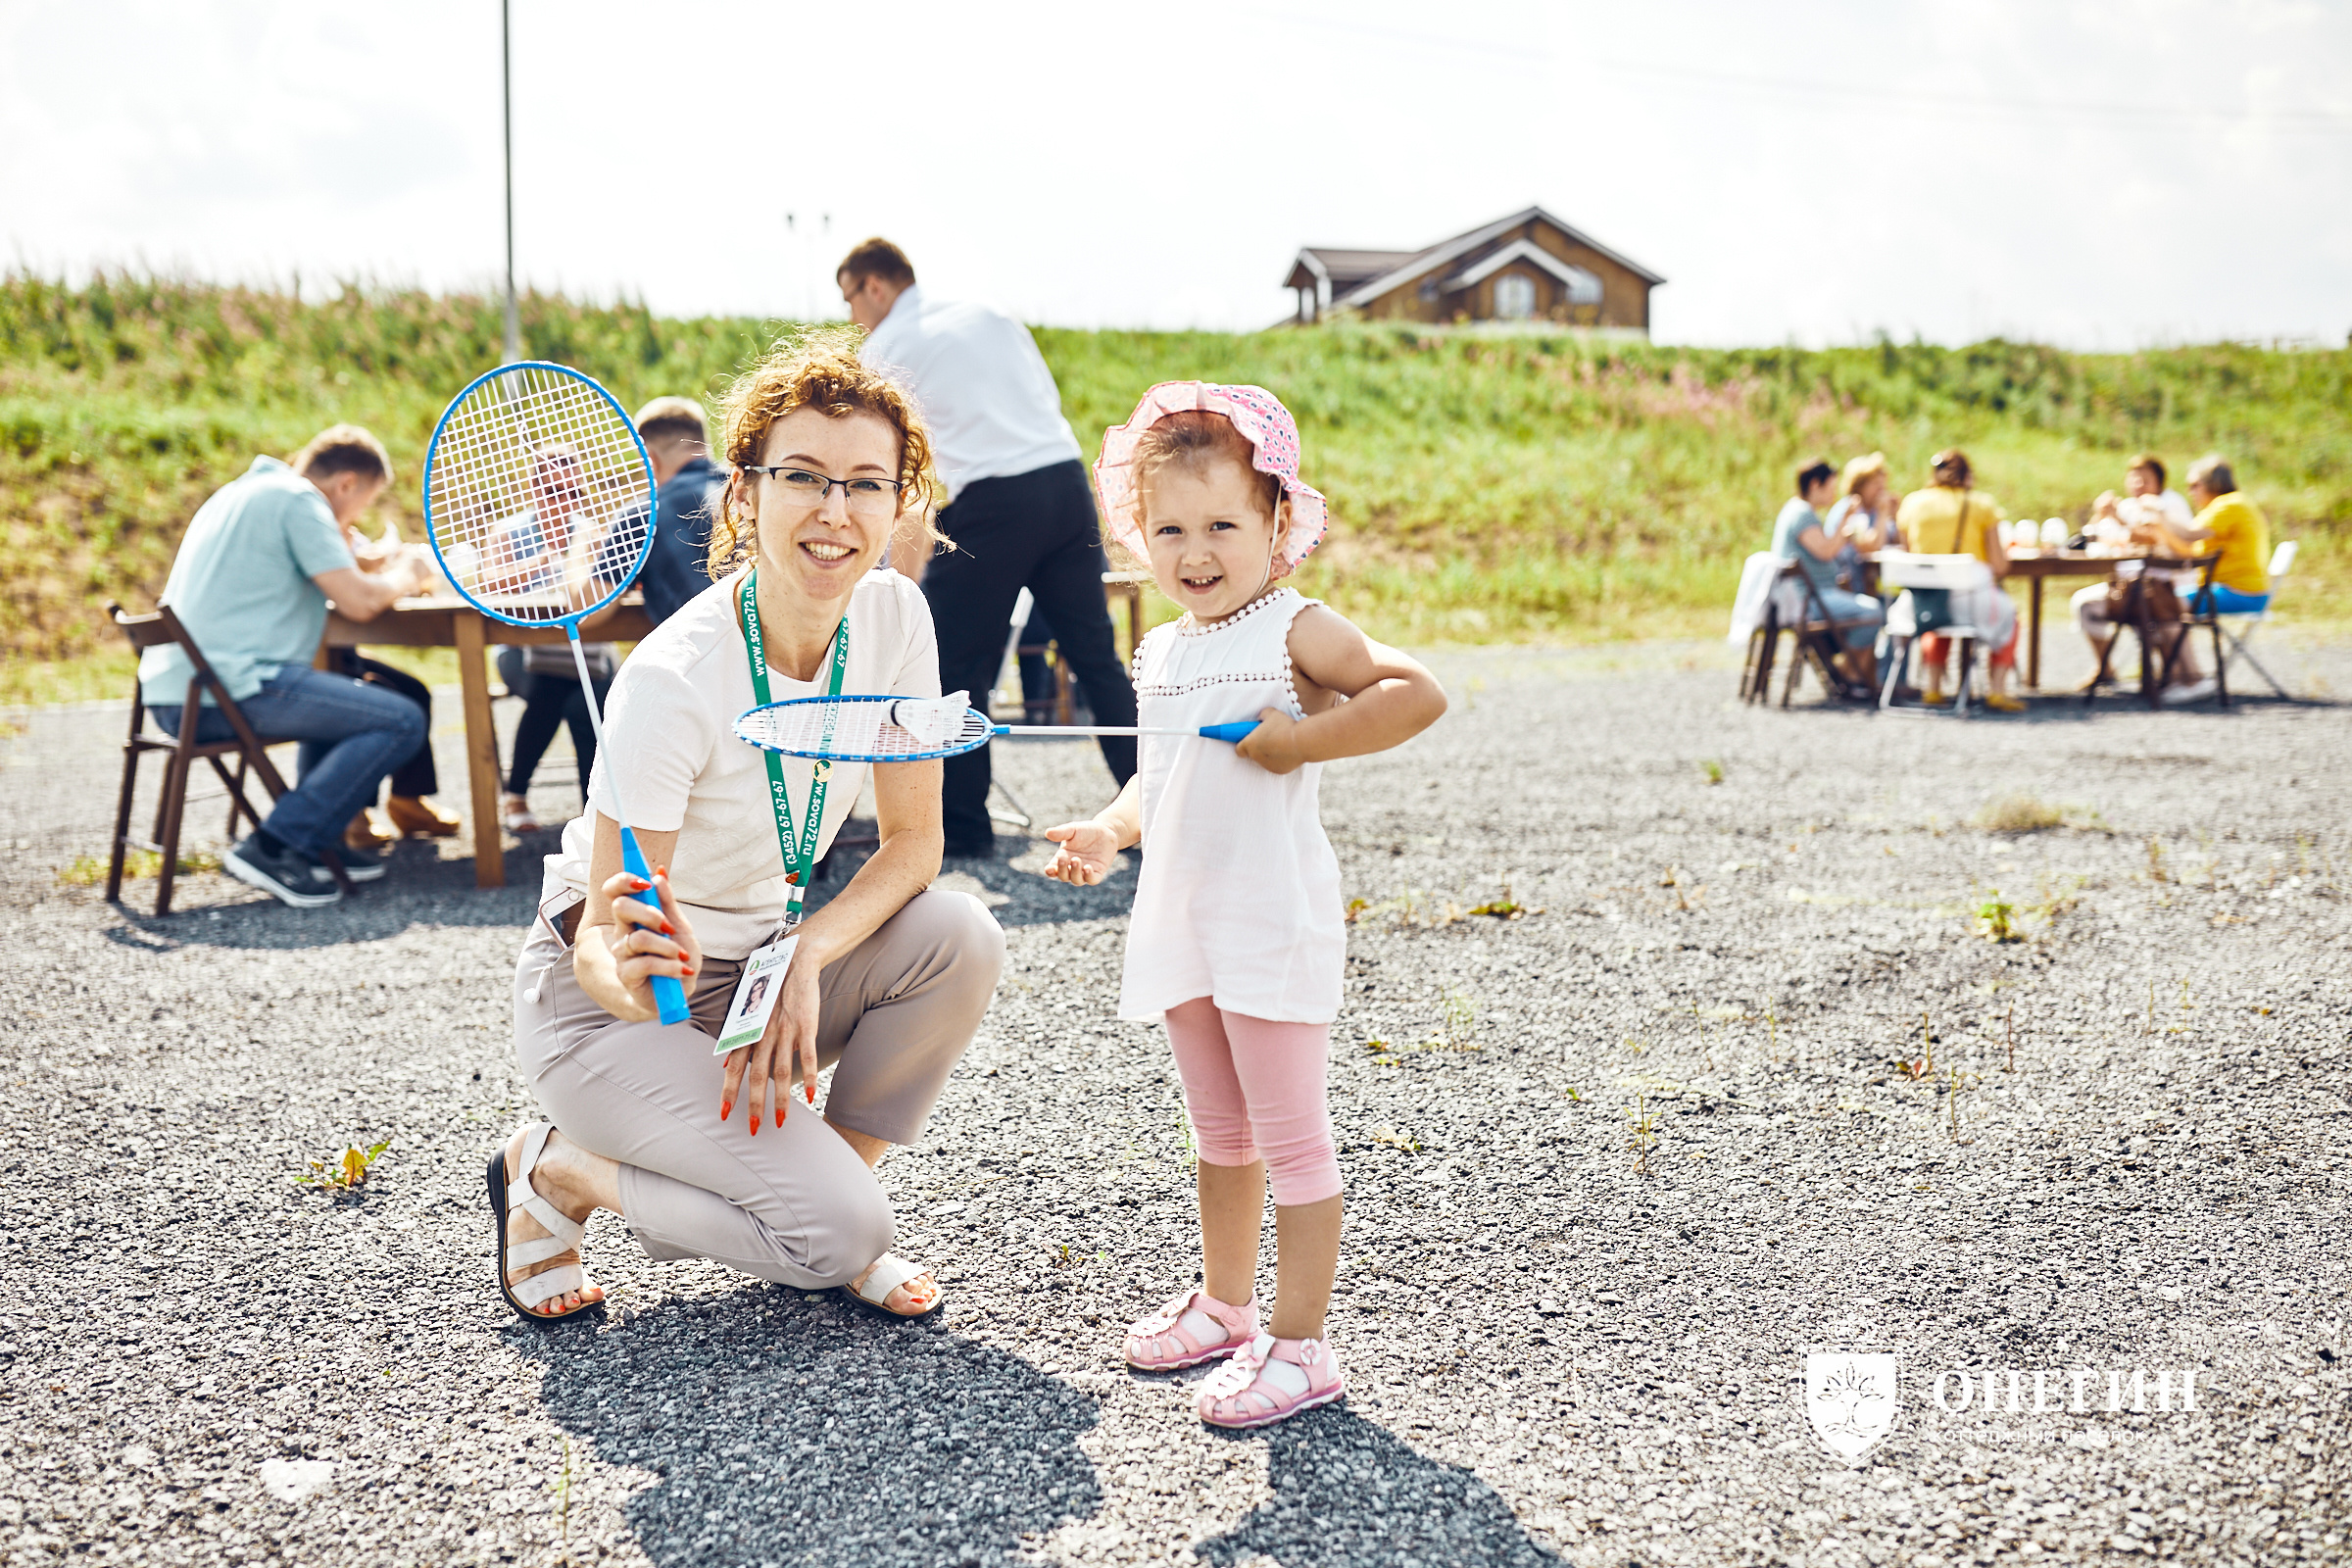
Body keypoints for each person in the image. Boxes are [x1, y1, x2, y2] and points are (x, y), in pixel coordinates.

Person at [492, 328, 1004, 1324]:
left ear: (900, 503)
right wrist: (630, 974)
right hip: (614, 1015)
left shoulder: (897, 618)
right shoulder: (675, 679)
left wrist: (807, 956)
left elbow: (915, 847)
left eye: (866, 483)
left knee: (961, 937)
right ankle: (560, 1169)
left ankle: (818, 1179)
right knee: (838, 1239)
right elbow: (602, 932)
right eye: (803, 476)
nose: (834, 510)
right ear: (745, 493)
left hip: (762, 970)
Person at [1042, 382, 1447, 1428]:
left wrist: (1298, 739)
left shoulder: (1292, 627)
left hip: (1268, 917)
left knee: (1292, 1134)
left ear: (1277, 523)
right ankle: (1227, 1306)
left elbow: (1415, 692)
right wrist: (1109, 830)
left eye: (1224, 522)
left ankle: (1303, 1347)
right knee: (1219, 1130)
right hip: (1185, 919)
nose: (1197, 549)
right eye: (1170, 528)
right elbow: (1161, 773)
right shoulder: (1165, 649)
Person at [840, 237, 1139, 858]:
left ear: (874, 286)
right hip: (1064, 483)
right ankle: (1159, 811)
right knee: (1096, 658)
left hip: (995, 501)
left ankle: (966, 833)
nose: (852, 318)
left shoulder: (886, 345)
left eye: (851, 299)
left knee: (951, 669)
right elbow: (1044, 401)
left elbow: (887, 450)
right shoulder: (990, 313)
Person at [143, 425, 432, 907]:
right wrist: (409, 573)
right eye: (364, 502)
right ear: (345, 485)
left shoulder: (243, 491)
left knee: (338, 692)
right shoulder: (300, 502)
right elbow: (359, 603)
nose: (358, 515)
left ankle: (318, 840)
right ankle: (274, 844)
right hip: (228, 688)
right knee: (402, 719)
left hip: (186, 686)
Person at [493, 448, 621, 834]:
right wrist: (546, 562)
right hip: (519, 652)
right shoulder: (510, 532)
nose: (563, 502)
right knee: (556, 685)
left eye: (572, 493)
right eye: (553, 491)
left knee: (584, 698)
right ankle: (591, 812)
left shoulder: (594, 532)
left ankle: (582, 805)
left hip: (587, 652)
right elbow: (489, 584)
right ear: (533, 488)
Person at [324, 511, 465, 849]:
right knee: (377, 696)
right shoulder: (310, 523)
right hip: (311, 654)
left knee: (414, 690)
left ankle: (407, 800)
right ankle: (354, 811)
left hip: (342, 650)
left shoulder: (334, 533)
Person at [1894, 449, 2025, 711]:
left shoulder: (1912, 503)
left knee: (1939, 618)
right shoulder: (1981, 504)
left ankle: (1932, 688)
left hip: (1919, 606)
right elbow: (1999, 565)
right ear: (1967, 475)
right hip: (1973, 602)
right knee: (2010, 616)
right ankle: (1997, 690)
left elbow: (1907, 554)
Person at [1771, 459, 1882, 694]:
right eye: (1830, 487)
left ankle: (1849, 673)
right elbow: (1826, 551)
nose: (1833, 493)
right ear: (1814, 484)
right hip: (1807, 600)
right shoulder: (1802, 515)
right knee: (1873, 612)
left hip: (1811, 595)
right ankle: (1850, 673)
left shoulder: (1799, 511)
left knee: (1864, 606)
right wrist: (1845, 523)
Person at [631, 395, 726, 627]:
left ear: (650, 459)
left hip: (701, 657)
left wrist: (581, 540)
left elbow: (588, 609)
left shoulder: (644, 515)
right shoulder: (752, 490)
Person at [1823, 451, 1899, 591]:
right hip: (1846, 584)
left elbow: (1897, 542)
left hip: (1869, 581)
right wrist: (1883, 514)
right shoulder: (1849, 509)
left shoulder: (1874, 510)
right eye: (1876, 484)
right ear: (1859, 485)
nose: (1881, 490)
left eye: (1883, 484)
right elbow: (1870, 548)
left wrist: (1897, 516)